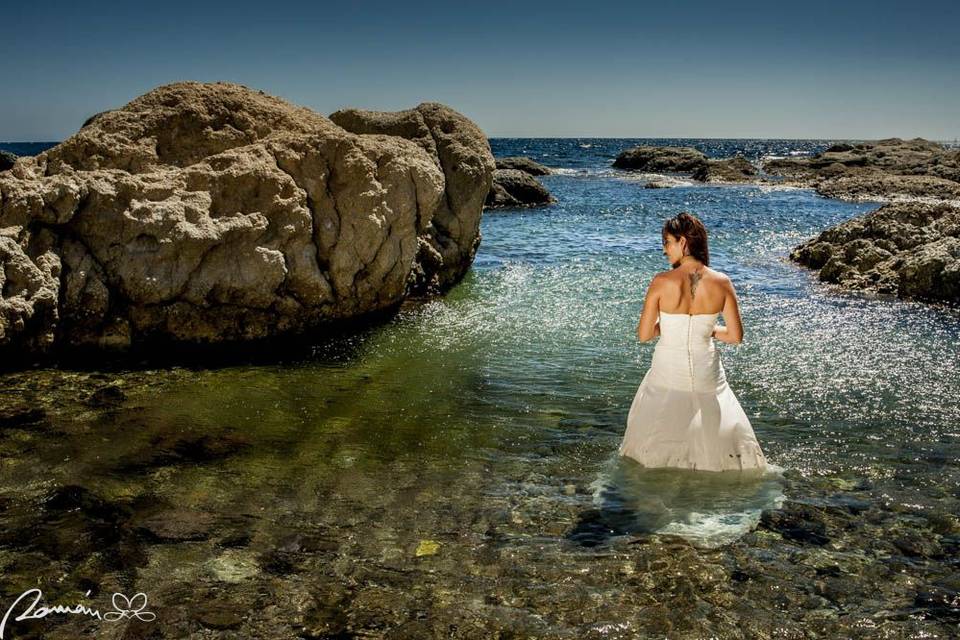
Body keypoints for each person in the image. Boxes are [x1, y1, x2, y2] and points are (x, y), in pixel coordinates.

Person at [618, 212, 769, 472]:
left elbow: (644, 335)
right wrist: (707, 330)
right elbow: (734, 336)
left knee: (659, 425)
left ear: (683, 242)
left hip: (668, 367)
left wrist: (668, 325)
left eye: (667, 242)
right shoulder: (722, 282)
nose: (664, 249)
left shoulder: (661, 282)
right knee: (712, 426)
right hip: (705, 369)